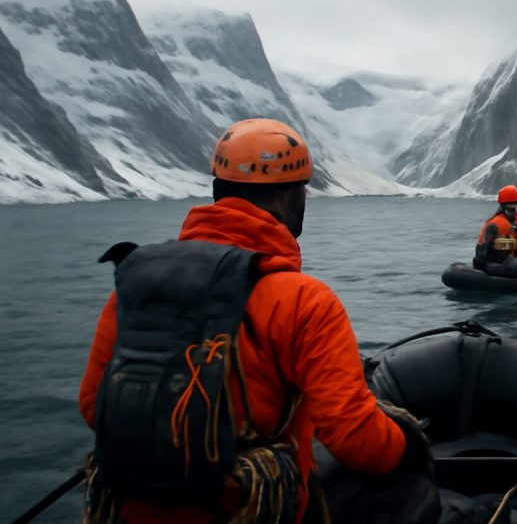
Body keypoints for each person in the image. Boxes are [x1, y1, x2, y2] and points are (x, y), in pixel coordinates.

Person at [78, 118, 439, 524]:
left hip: (131, 512)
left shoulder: (134, 283)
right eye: (302, 191)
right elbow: (354, 438)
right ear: (289, 198)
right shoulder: (304, 301)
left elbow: (94, 406)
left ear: (218, 191)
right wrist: (408, 444)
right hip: (249, 511)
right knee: (407, 485)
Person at [473, 184, 517, 277]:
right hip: (495, 262)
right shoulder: (493, 225)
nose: (512, 209)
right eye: (509, 205)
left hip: (515, 259)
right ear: (503, 206)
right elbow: (481, 254)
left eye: (514, 205)